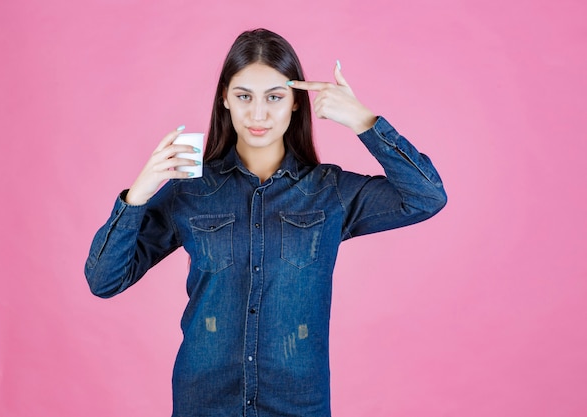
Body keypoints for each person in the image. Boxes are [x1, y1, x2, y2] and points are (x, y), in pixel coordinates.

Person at [85, 28, 447, 417]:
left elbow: (426, 197)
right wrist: (137, 195)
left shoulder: (329, 192)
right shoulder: (191, 191)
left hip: (297, 404)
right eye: (244, 97)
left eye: (274, 97)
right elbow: (105, 280)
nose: (258, 114)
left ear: (295, 103)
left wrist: (364, 120)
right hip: (205, 403)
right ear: (224, 98)